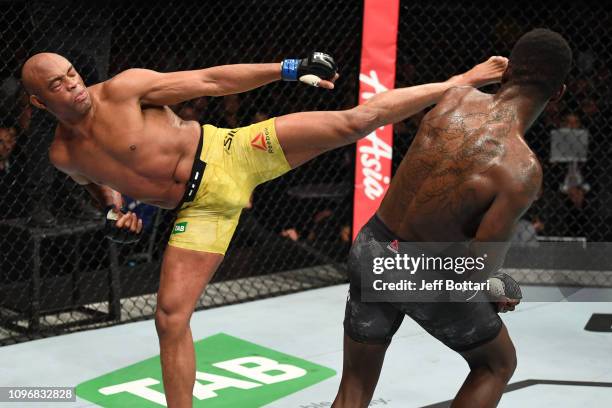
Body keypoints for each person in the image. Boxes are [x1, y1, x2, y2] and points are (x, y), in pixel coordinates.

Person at [21, 51, 506, 407]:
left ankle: (458, 80)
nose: (74, 86)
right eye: (59, 86)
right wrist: (114, 214)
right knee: (169, 318)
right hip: (199, 211)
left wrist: (288, 68)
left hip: (231, 151)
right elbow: (101, 189)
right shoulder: (64, 157)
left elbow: (209, 76)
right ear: (40, 103)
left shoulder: (125, 89)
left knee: (355, 121)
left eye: (72, 75)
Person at [333, 29, 572, 408]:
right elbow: (477, 269)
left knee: (354, 389)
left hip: (371, 248)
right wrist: (499, 287)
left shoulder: (454, 97)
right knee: (497, 363)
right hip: (420, 271)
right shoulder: (521, 168)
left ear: (506, 72)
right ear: (558, 93)